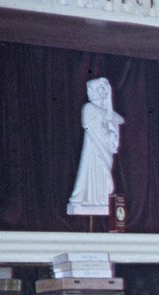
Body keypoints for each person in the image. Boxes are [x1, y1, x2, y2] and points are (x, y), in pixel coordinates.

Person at [67, 77, 124, 215]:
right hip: (94, 149)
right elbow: (109, 120)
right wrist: (108, 110)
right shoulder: (88, 108)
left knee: (102, 176)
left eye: (94, 89)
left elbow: (119, 120)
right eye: (89, 90)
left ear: (103, 92)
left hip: (103, 151)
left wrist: (108, 104)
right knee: (89, 174)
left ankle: (100, 200)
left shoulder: (104, 112)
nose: (90, 93)